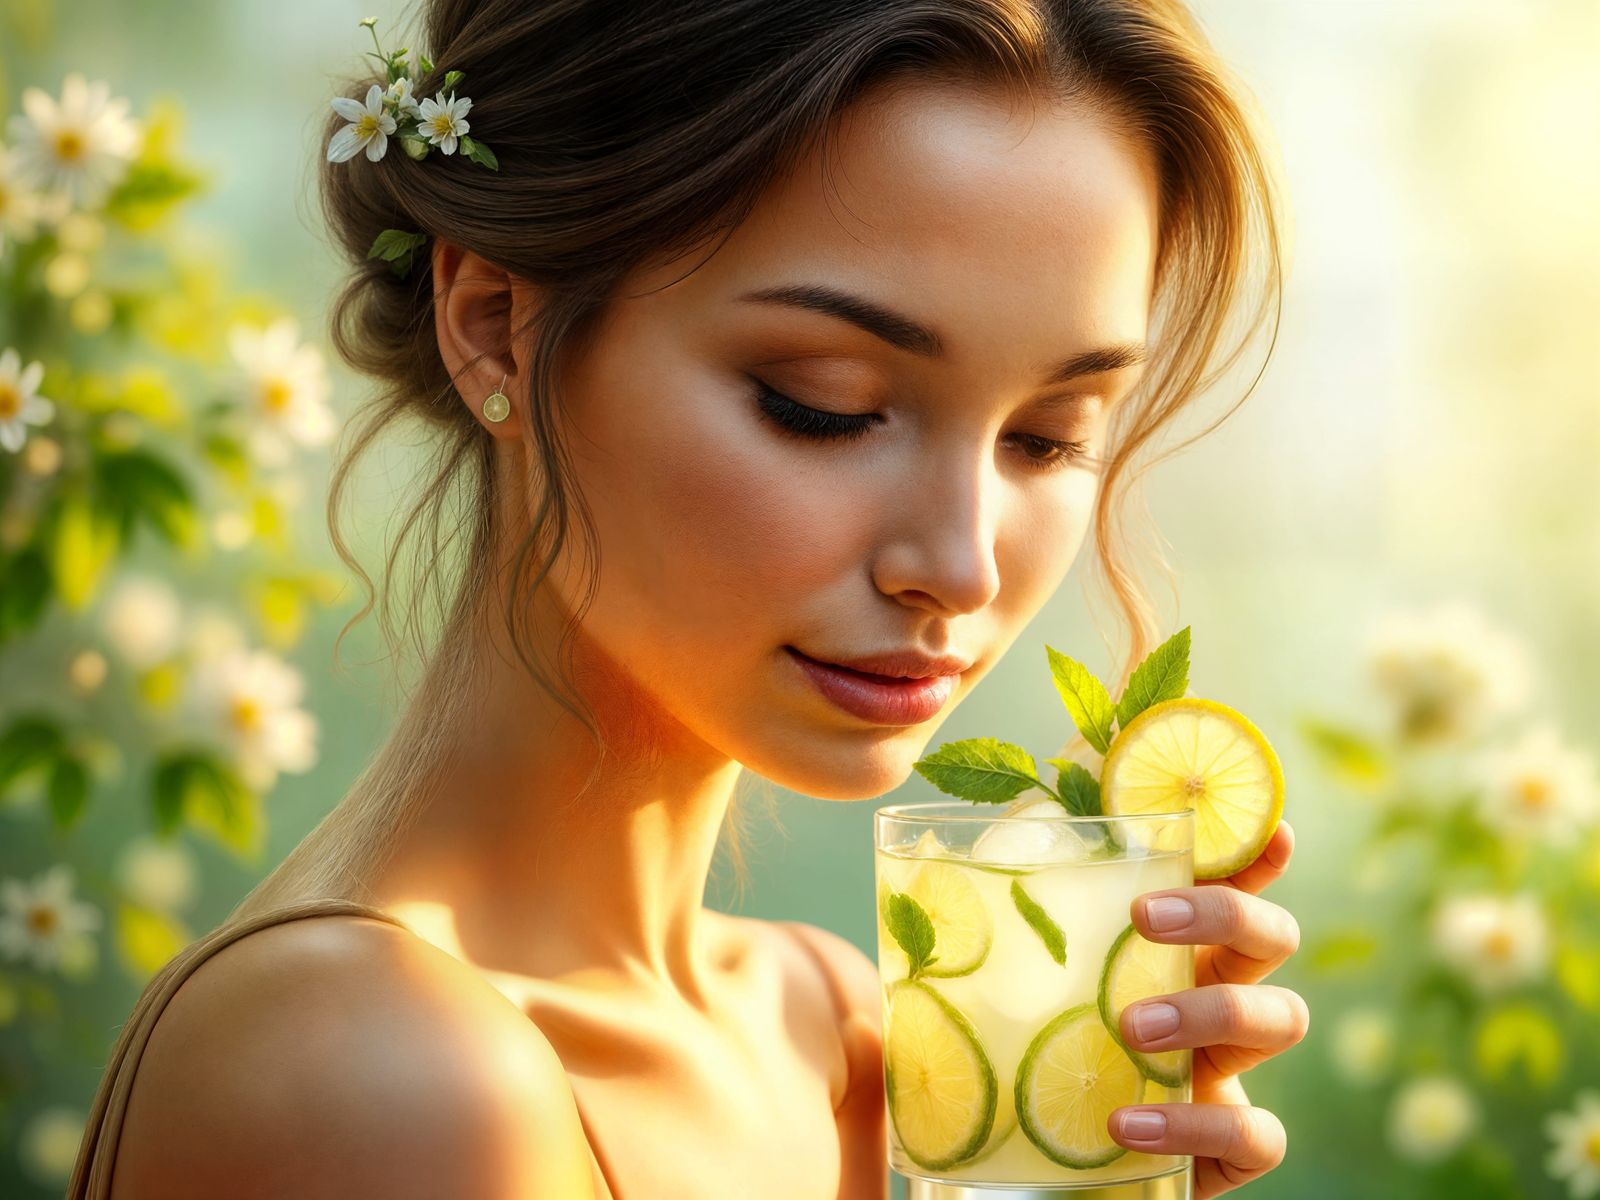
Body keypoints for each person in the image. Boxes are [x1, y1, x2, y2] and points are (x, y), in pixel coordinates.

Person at [69, 1, 1306, 1196]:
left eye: (1046, 436)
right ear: (493, 322)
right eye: (823, 402)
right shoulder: (380, 1073)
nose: (964, 567)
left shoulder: (835, 1041)